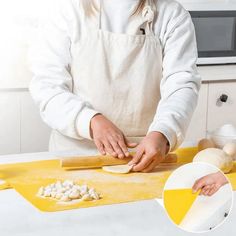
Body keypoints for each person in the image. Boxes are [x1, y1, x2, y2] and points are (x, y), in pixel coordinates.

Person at [29, 0, 201, 172]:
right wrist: (89, 120)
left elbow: (181, 84)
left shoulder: (171, 14)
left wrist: (163, 132)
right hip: (75, 156)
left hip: (145, 157)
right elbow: (48, 86)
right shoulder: (66, 9)